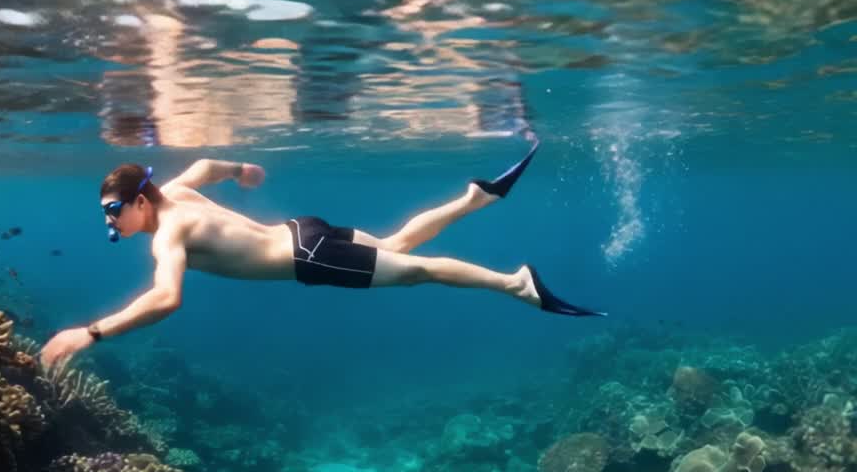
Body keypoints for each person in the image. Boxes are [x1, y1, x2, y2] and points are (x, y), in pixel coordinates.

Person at [38, 141, 604, 373]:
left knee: (419, 271)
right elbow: (207, 164)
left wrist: (91, 333)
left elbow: (167, 297)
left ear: (140, 201)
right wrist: (240, 171)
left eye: (114, 211)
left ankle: (517, 285)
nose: (111, 222)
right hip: (303, 230)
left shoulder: (168, 233)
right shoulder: (176, 192)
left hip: (309, 256)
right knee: (399, 247)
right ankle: (476, 197)